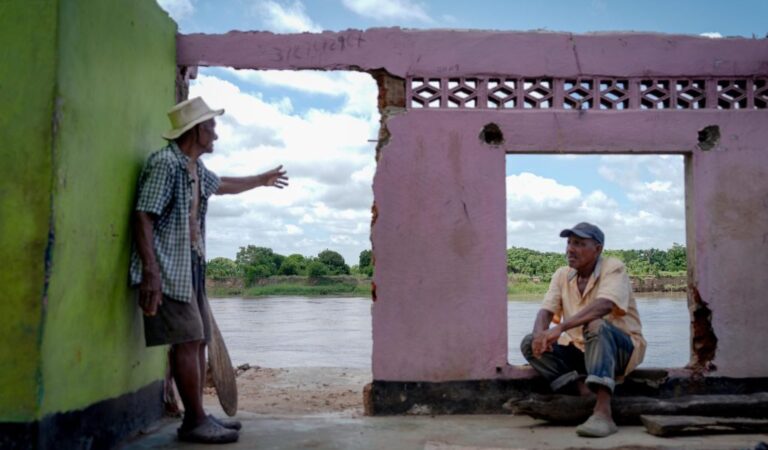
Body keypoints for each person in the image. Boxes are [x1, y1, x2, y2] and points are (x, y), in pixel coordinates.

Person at [130, 97, 288, 444]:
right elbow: (143, 214)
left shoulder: (194, 168)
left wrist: (261, 179)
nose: (215, 132)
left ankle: (196, 415)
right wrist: (151, 272)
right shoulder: (165, 164)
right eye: (211, 126)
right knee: (187, 342)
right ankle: (195, 422)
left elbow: (223, 185)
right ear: (197, 130)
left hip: (192, 266)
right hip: (170, 269)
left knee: (198, 341)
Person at [520, 222, 645, 438]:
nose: (570, 249)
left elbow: (605, 304)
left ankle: (603, 412)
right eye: (569, 243)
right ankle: (584, 392)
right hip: (582, 349)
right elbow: (546, 310)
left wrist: (561, 327)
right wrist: (540, 336)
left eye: (579, 243)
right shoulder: (562, 275)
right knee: (529, 343)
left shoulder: (613, 267)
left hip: (620, 349)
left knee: (596, 325)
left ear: (597, 249)